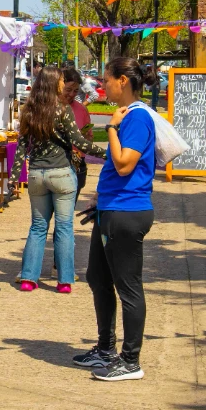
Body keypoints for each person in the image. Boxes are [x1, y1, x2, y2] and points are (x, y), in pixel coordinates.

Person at [73, 57, 158, 381]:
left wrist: (109, 128)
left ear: (122, 81)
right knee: (97, 277)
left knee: (128, 287)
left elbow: (124, 164)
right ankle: (105, 347)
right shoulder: (127, 116)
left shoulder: (136, 118)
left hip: (127, 212)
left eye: (106, 80)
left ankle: (130, 360)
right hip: (111, 208)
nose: (102, 85)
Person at [10, 67, 104, 294]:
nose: (64, 85)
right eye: (62, 81)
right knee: (64, 227)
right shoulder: (62, 110)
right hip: (61, 173)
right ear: (54, 83)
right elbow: (79, 142)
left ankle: (28, 278)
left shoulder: (28, 111)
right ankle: (64, 280)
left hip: (36, 175)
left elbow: (21, 147)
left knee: (38, 227)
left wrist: (14, 177)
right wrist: (108, 153)